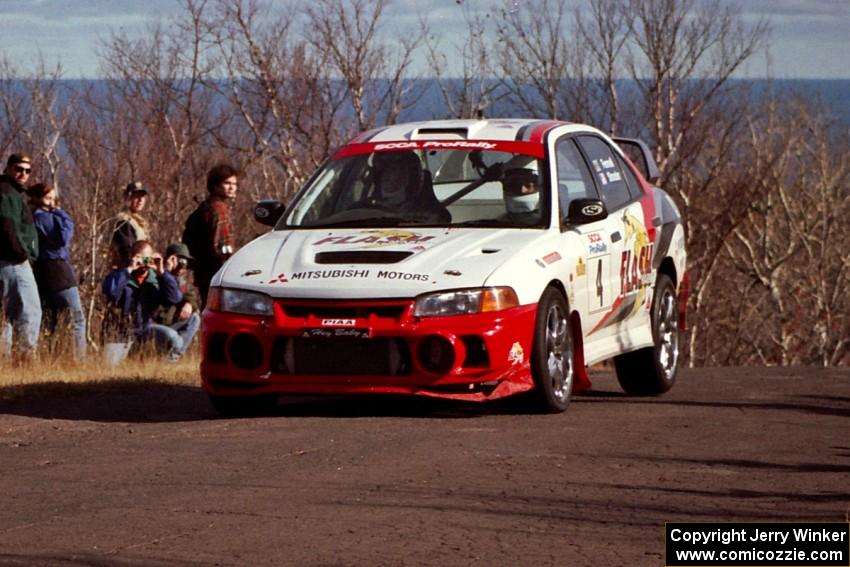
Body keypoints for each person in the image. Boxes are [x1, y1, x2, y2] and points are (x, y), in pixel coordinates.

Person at [27, 183, 87, 359]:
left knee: (51, 320)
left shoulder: (35, 216)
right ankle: (79, 360)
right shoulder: (42, 217)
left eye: (54, 199)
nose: (52, 202)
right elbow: (64, 237)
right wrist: (60, 212)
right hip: (57, 270)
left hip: (43, 270)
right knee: (77, 319)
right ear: (37, 198)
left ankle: (51, 358)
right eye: (48, 198)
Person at [101, 240, 183, 360]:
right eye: (141, 258)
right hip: (120, 333)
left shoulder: (156, 279)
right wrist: (129, 269)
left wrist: (162, 273)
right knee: (108, 367)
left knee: (172, 337)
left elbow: (175, 299)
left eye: (147, 259)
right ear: (132, 256)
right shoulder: (120, 275)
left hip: (146, 330)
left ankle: (164, 367)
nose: (144, 263)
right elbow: (109, 291)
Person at [0, 153, 41, 360]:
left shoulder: (13, 194)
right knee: (30, 312)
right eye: (18, 169)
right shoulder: (7, 193)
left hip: (7, 262)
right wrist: (22, 255)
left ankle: (5, 362)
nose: (23, 174)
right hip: (14, 262)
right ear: (7, 168)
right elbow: (8, 227)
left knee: (6, 316)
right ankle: (25, 360)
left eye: (27, 170)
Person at [183, 163, 238, 307]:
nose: (232, 187)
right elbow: (222, 247)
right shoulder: (219, 210)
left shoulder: (205, 207)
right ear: (215, 185)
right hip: (217, 275)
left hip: (204, 275)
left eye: (234, 183)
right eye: (227, 183)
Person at [151, 242, 201, 361]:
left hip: (170, 323)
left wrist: (188, 304)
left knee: (195, 318)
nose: (182, 266)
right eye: (180, 261)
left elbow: (191, 295)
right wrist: (166, 272)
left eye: (185, 262)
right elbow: (174, 297)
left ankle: (172, 358)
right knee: (174, 339)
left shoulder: (181, 280)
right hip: (154, 324)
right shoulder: (157, 274)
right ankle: (174, 352)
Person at [370, 150, 450, 223]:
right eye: (386, 171)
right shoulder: (365, 212)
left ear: (412, 177)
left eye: (399, 170)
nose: (391, 177)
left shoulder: (428, 214)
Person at [110, 181, 151, 267]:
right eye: (136, 196)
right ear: (127, 198)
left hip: (141, 270)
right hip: (129, 273)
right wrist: (147, 263)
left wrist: (149, 264)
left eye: (142, 196)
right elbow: (129, 251)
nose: (140, 200)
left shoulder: (138, 222)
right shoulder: (123, 221)